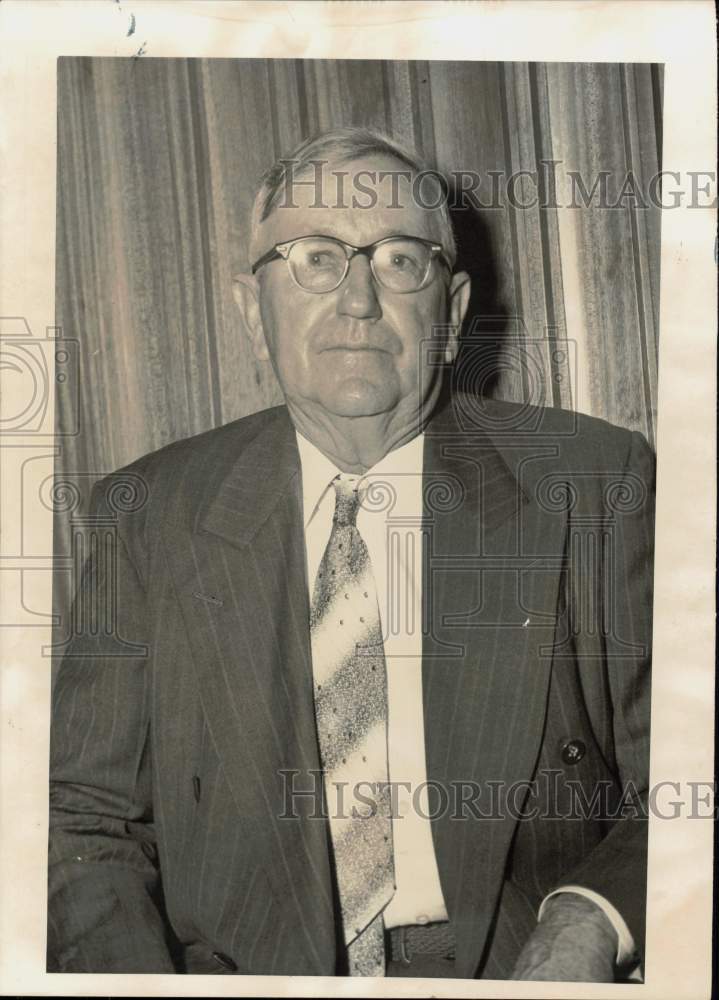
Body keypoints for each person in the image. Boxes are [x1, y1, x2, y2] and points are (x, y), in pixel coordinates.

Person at [48, 126, 653, 980]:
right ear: (248, 313)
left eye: (400, 259)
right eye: (314, 260)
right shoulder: (149, 513)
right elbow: (81, 818)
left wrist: (588, 925)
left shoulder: (591, 481)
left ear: (449, 309)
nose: (359, 300)